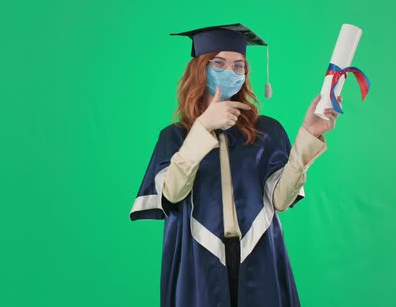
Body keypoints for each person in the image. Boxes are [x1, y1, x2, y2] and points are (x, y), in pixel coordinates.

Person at [129, 24, 341, 307]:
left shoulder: (267, 131)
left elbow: (280, 200)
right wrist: (204, 127)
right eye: (219, 63)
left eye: (239, 65)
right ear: (200, 69)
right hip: (197, 254)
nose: (230, 71)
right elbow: (173, 193)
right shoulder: (175, 136)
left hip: (259, 250)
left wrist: (309, 135)